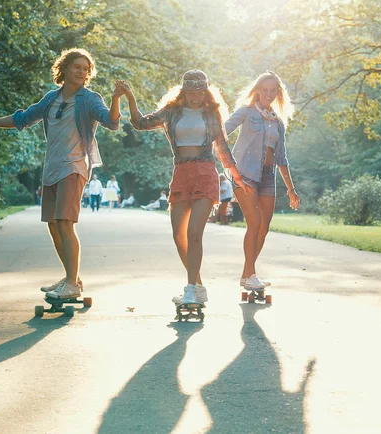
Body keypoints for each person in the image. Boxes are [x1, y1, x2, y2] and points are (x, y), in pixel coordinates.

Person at [0, 48, 122, 299]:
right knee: (53, 225)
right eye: (77, 67)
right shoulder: (51, 99)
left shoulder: (90, 98)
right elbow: (23, 118)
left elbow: (111, 122)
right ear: (64, 68)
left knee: (64, 223)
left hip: (73, 167)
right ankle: (72, 278)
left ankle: (71, 283)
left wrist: (116, 99)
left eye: (86, 69)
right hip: (51, 167)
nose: (82, 72)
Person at [117, 70, 249, 306]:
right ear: (184, 91)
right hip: (181, 174)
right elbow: (139, 123)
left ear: (205, 92)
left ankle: (189, 289)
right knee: (179, 236)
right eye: (191, 92)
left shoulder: (211, 113)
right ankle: (198, 286)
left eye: (200, 92)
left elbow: (222, 148)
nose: (196, 97)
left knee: (194, 234)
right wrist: (128, 96)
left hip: (205, 173)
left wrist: (236, 177)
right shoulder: (172, 112)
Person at [223, 70, 300, 291]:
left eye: (272, 91)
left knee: (264, 227)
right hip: (245, 175)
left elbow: (282, 157)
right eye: (264, 90)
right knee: (254, 224)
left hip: (268, 176)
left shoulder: (278, 122)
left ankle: (247, 275)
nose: (268, 94)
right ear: (257, 91)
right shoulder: (246, 113)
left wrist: (291, 189)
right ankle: (251, 274)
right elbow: (221, 134)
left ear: (278, 93)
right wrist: (230, 165)